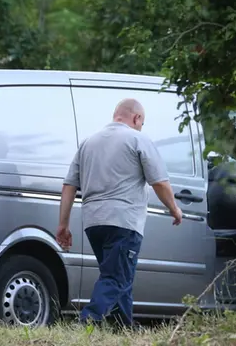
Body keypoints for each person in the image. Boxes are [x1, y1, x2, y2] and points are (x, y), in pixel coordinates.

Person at [55, 98, 183, 328]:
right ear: (137, 118)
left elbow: (69, 186)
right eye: (141, 122)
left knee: (118, 274)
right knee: (117, 277)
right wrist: (175, 210)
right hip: (124, 220)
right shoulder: (138, 139)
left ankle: (125, 327)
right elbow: (160, 183)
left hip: (93, 222)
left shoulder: (88, 143)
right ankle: (88, 321)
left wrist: (63, 224)